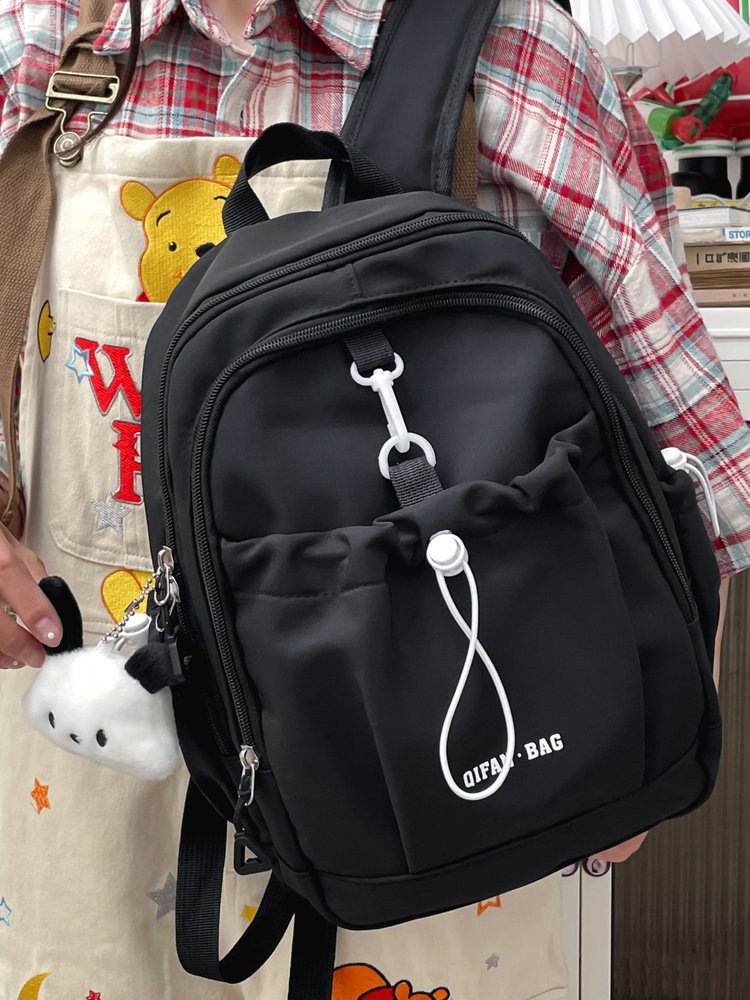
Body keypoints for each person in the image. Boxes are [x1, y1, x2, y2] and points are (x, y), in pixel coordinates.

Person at [0, 1, 747, 998]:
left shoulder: (512, 48)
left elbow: (690, 460)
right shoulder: (40, 37)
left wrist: (638, 762)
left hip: (454, 773)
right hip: (91, 778)